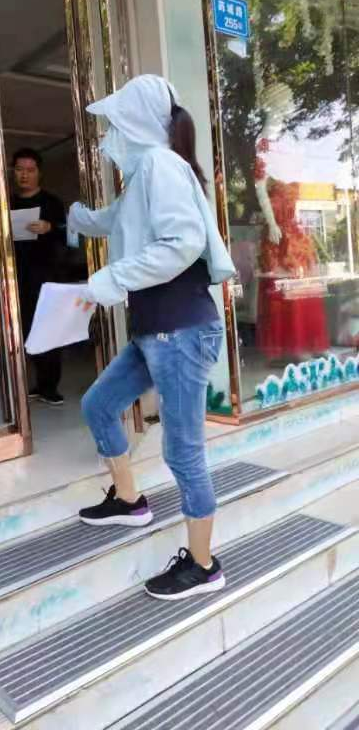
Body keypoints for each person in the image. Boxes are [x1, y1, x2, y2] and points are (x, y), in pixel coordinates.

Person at [70, 75, 235, 600]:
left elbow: (181, 242)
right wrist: (73, 219)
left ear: (136, 123)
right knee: (99, 405)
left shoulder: (162, 165)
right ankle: (128, 501)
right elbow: (112, 221)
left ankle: (204, 566)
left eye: (115, 125)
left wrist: (110, 280)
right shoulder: (147, 172)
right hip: (155, 331)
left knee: (183, 451)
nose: (109, 138)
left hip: (180, 330)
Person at [11, 148, 67, 406]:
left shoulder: (52, 203)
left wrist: (49, 227)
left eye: (30, 170)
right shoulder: (7, 202)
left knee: (49, 329)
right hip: (16, 276)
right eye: (19, 170)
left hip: (46, 276)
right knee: (26, 330)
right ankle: (39, 381)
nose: (24, 175)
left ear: (39, 173)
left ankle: (50, 385)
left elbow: (69, 235)